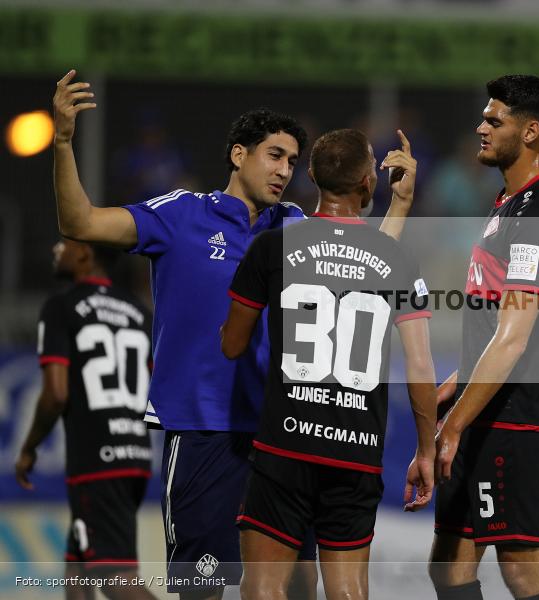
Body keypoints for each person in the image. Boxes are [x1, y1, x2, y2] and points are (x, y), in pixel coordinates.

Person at [50, 69, 417, 600]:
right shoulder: (180, 216)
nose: (285, 170)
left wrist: (399, 207)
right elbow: (79, 222)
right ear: (238, 154)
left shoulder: (294, 227)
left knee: (298, 587)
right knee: (203, 589)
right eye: (274, 155)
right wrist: (62, 141)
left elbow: (371, 270)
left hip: (286, 436)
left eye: (293, 161)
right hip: (205, 433)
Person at [220, 128, 436, 600]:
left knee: (262, 589)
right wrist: (426, 451)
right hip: (356, 451)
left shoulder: (271, 248)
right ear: (367, 183)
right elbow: (421, 367)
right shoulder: (399, 260)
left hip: (284, 446)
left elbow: (232, 346)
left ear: (312, 175)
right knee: (347, 591)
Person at [429, 75, 539, 600]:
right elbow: (494, 327)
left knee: (521, 567)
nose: (480, 128)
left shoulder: (537, 214)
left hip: (515, 414)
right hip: (483, 405)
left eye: (495, 120)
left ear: (530, 131)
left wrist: (452, 427)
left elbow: (513, 340)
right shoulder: (507, 206)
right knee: (449, 568)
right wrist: (454, 388)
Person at [16, 239, 155, 600]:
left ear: (84, 253)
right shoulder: (139, 313)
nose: (55, 249)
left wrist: (29, 447)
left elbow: (56, 394)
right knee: (77, 567)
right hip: (135, 453)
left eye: (63, 243)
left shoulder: (62, 307)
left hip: (96, 459)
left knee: (115, 580)